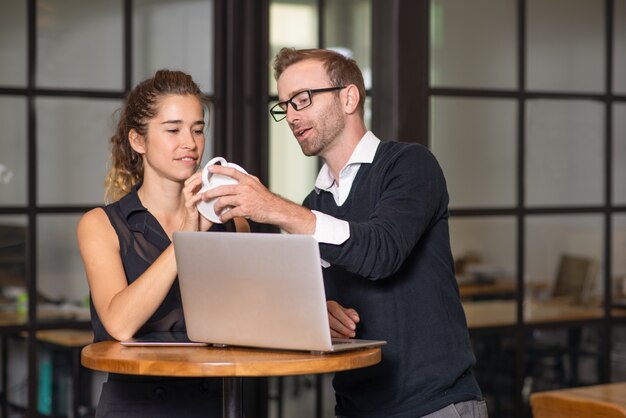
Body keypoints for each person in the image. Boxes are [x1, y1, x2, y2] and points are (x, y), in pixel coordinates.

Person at [201, 48, 488, 418]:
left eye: (302, 99)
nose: (291, 115)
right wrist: (318, 312)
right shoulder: (313, 203)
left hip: (435, 405)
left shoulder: (409, 165)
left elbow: (380, 251)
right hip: (354, 407)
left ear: (349, 97)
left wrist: (272, 207)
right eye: (284, 105)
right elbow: (318, 292)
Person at [77, 69, 247, 418]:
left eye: (198, 129)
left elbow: (253, 318)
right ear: (138, 141)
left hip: (217, 401)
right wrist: (185, 235)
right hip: (135, 406)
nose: (191, 143)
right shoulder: (101, 224)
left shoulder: (233, 222)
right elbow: (120, 324)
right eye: (173, 130)